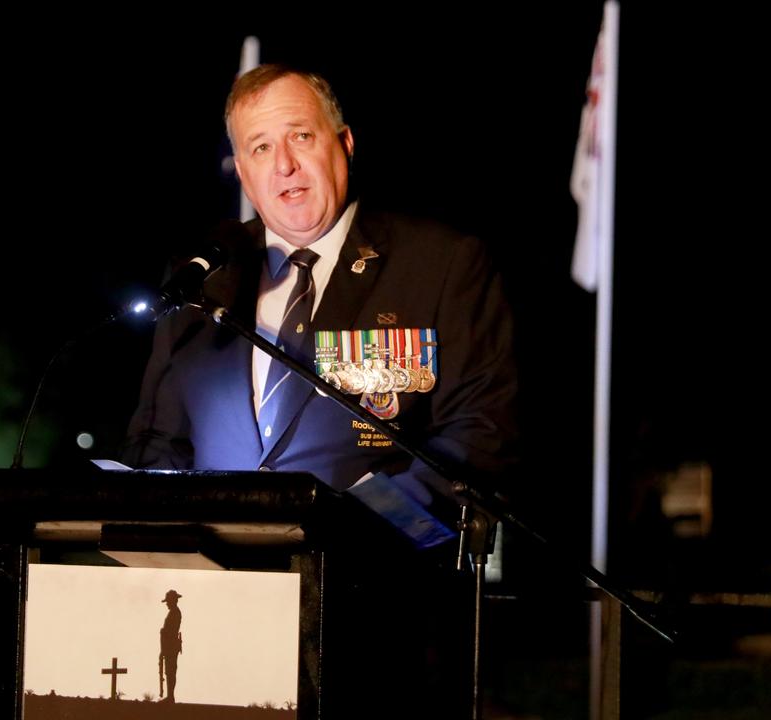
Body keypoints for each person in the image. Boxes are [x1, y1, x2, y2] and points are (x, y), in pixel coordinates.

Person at [120, 64, 518, 544]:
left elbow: (478, 439)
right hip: (222, 587)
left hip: (373, 582)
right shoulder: (204, 278)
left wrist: (352, 531)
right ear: (243, 172)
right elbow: (159, 445)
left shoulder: (440, 265)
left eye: (301, 136)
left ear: (345, 144)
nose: (283, 165)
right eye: (261, 148)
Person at [158, 589, 183, 703]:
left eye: (168, 601)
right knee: (169, 671)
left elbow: (170, 631)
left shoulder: (175, 613)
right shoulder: (173, 612)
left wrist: (165, 647)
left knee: (170, 671)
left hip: (171, 646)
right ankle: (170, 696)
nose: (167, 603)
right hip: (169, 646)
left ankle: (170, 696)